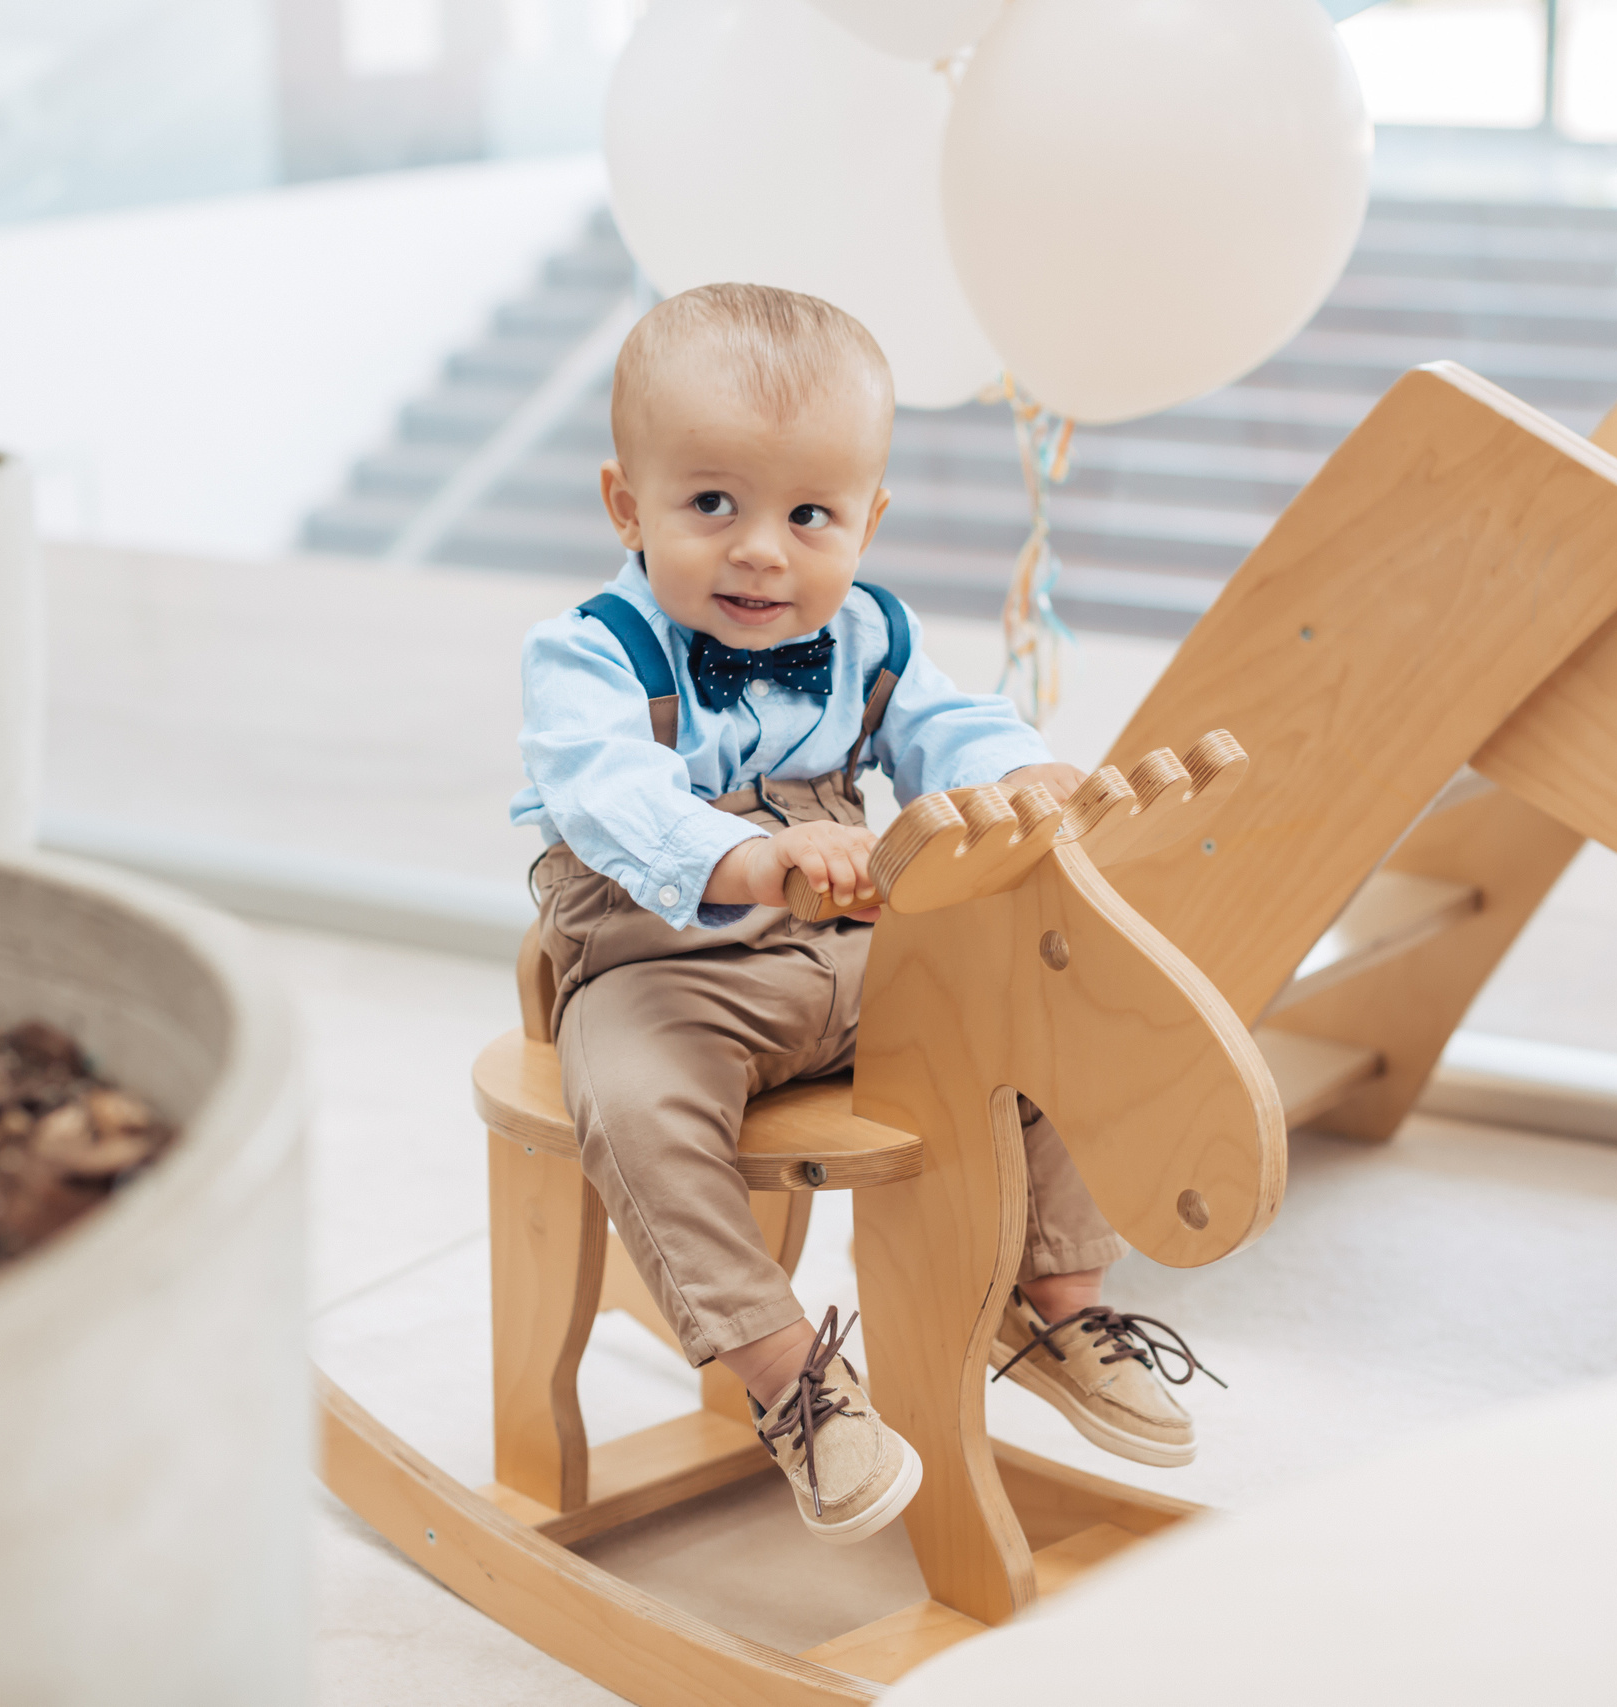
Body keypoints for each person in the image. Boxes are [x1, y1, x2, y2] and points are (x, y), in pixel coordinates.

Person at [512, 282, 1216, 1546]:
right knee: (629, 1095)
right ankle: (792, 1380)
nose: (761, 551)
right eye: (711, 503)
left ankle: (1055, 1293)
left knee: (1029, 1004)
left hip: (854, 955)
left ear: (867, 521)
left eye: (808, 514)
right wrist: (752, 858)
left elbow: (948, 725)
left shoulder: (868, 632)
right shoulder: (589, 650)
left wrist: (1015, 772)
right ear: (628, 504)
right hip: (668, 960)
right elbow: (606, 794)